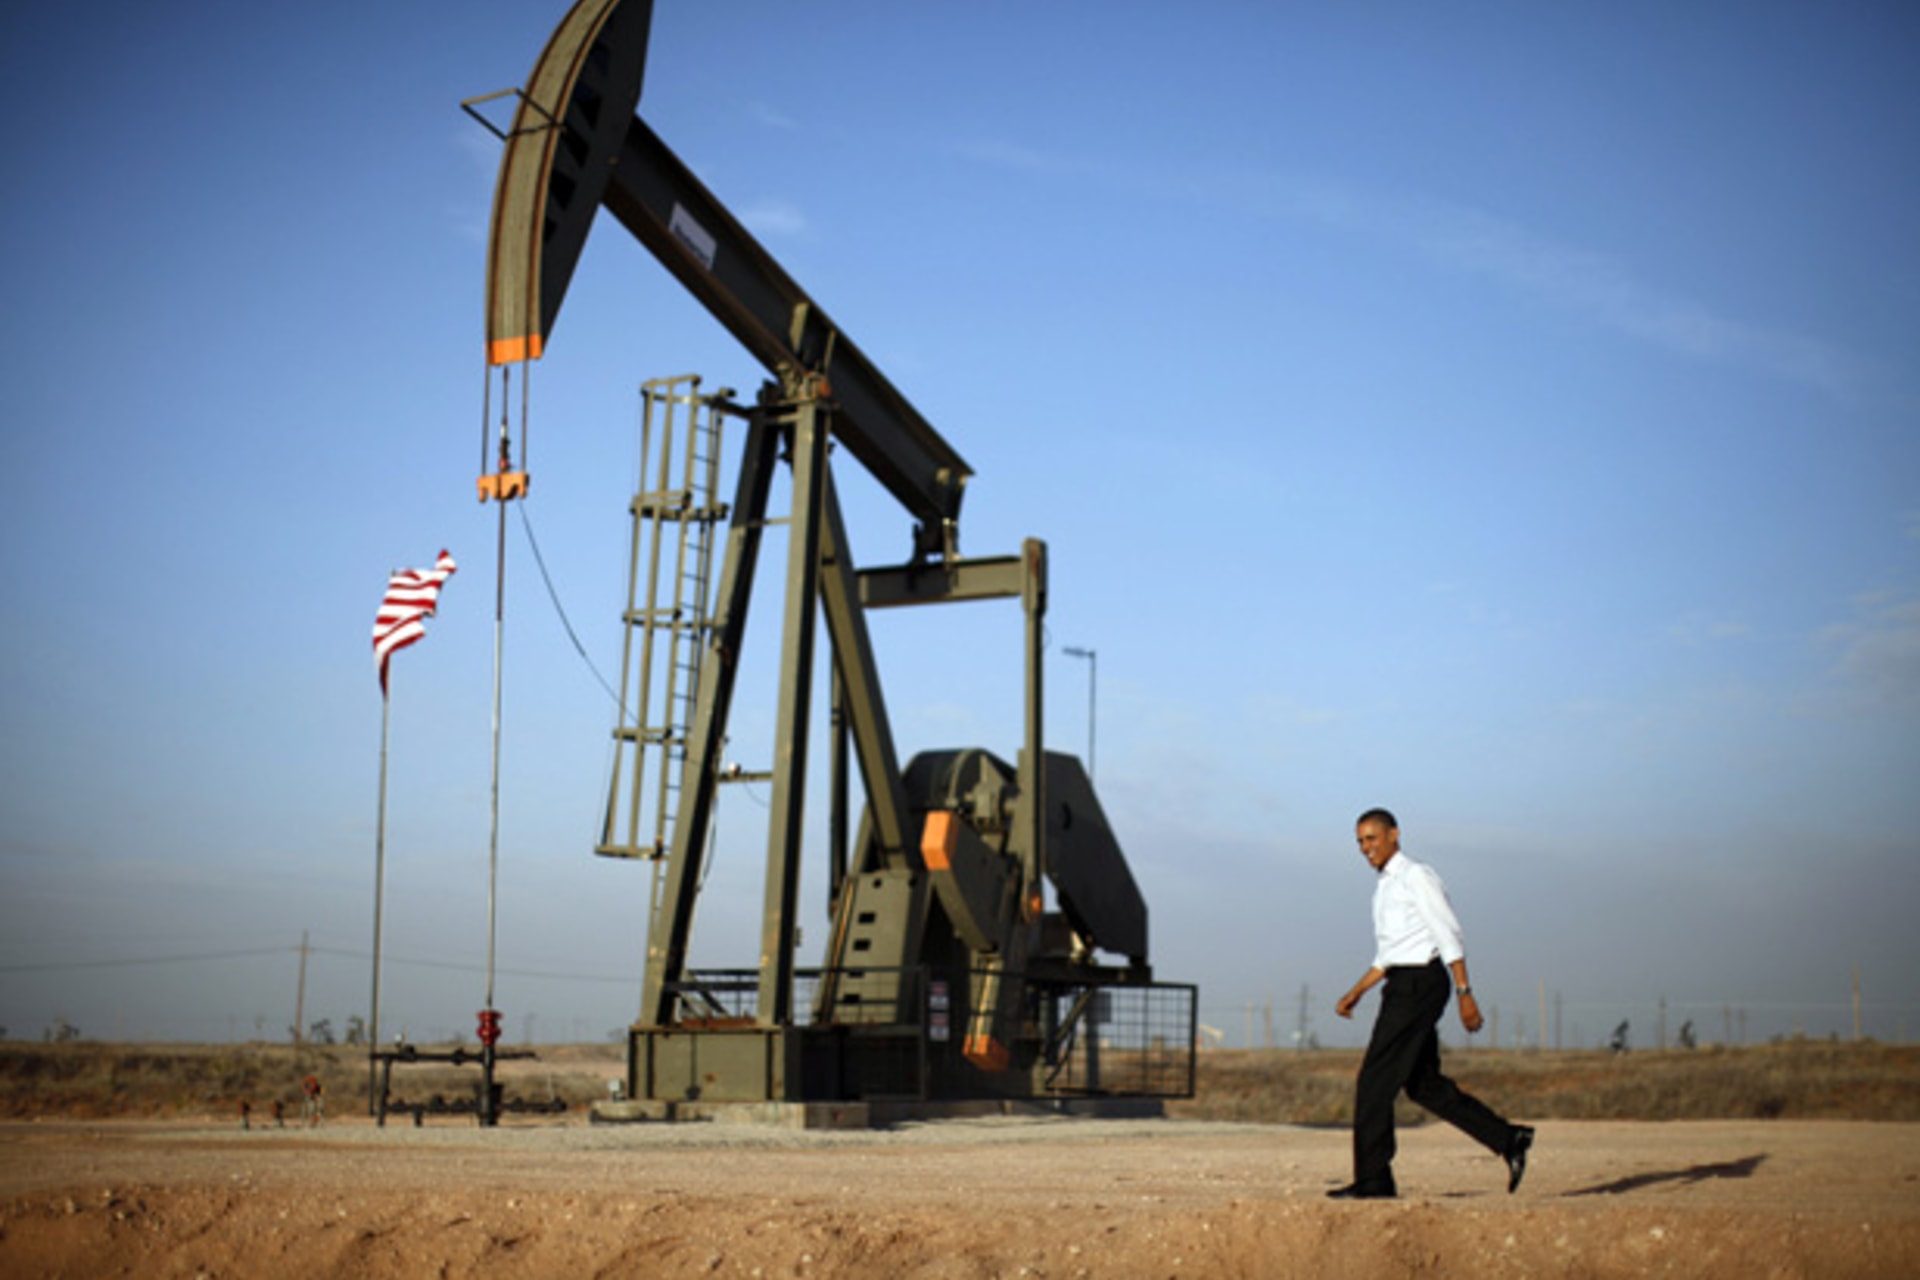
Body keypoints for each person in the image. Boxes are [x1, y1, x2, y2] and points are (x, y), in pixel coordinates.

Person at [1327, 807, 1534, 1199]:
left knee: (1374, 1080)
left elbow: (1447, 932)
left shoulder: (1416, 875)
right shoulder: (1385, 886)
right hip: (1403, 981)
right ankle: (1509, 1139)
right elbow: (1390, 954)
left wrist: (1464, 992)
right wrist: (1357, 991)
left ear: (1394, 835)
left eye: (1371, 838)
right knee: (1423, 1085)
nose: (1365, 848)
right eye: (1359, 842)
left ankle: (1374, 1179)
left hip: (1420, 984)